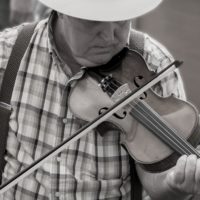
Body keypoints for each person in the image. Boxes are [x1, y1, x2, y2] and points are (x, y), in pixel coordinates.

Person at [0, 0, 200, 199]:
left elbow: (156, 179)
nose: (109, 36)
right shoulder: (7, 53)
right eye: (93, 22)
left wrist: (174, 185)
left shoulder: (154, 66)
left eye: (121, 20)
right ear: (61, 11)